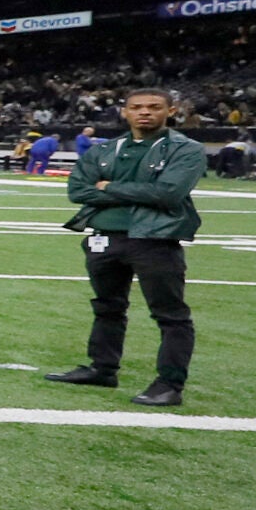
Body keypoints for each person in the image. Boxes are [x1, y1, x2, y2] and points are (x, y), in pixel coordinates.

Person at [47, 88, 205, 408]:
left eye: (154, 107)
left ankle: (170, 384)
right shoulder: (106, 149)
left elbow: (168, 194)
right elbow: (78, 190)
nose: (144, 112)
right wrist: (138, 191)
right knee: (107, 306)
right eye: (136, 107)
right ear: (124, 112)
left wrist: (109, 187)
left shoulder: (186, 149)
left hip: (155, 239)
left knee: (170, 314)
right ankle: (103, 369)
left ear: (171, 111)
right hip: (104, 237)